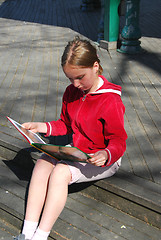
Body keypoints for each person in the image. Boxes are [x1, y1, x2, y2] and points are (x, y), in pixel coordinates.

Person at [14, 36, 127, 240]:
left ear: (95, 66)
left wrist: (106, 153)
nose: (75, 84)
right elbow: (65, 124)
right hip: (77, 152)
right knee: (42, 162)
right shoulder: (72, 92)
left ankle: (41, 235)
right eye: (70, 79)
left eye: (80, 77)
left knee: (60, 173)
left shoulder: (110, 100)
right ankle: (26, 233)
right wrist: (41, 127)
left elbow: (118, 140)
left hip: (103, 159)